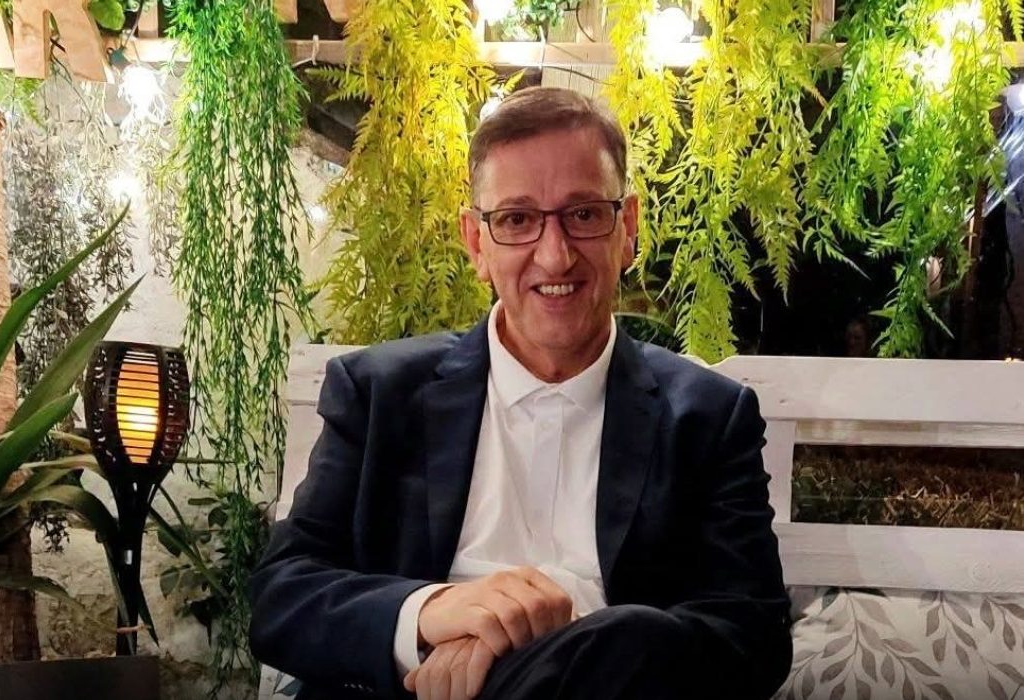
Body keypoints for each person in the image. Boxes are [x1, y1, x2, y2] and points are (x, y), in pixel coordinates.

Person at [249, 87, 792, 700]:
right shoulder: (379, 394)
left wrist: (549, 639)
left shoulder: (708, 418)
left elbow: (752, 637)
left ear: (627, 230)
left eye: (583, 214)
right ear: (476, 243)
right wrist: (435, 612)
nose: (554, 257)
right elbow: (282, 596)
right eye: (516, 220)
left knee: (633, 635)